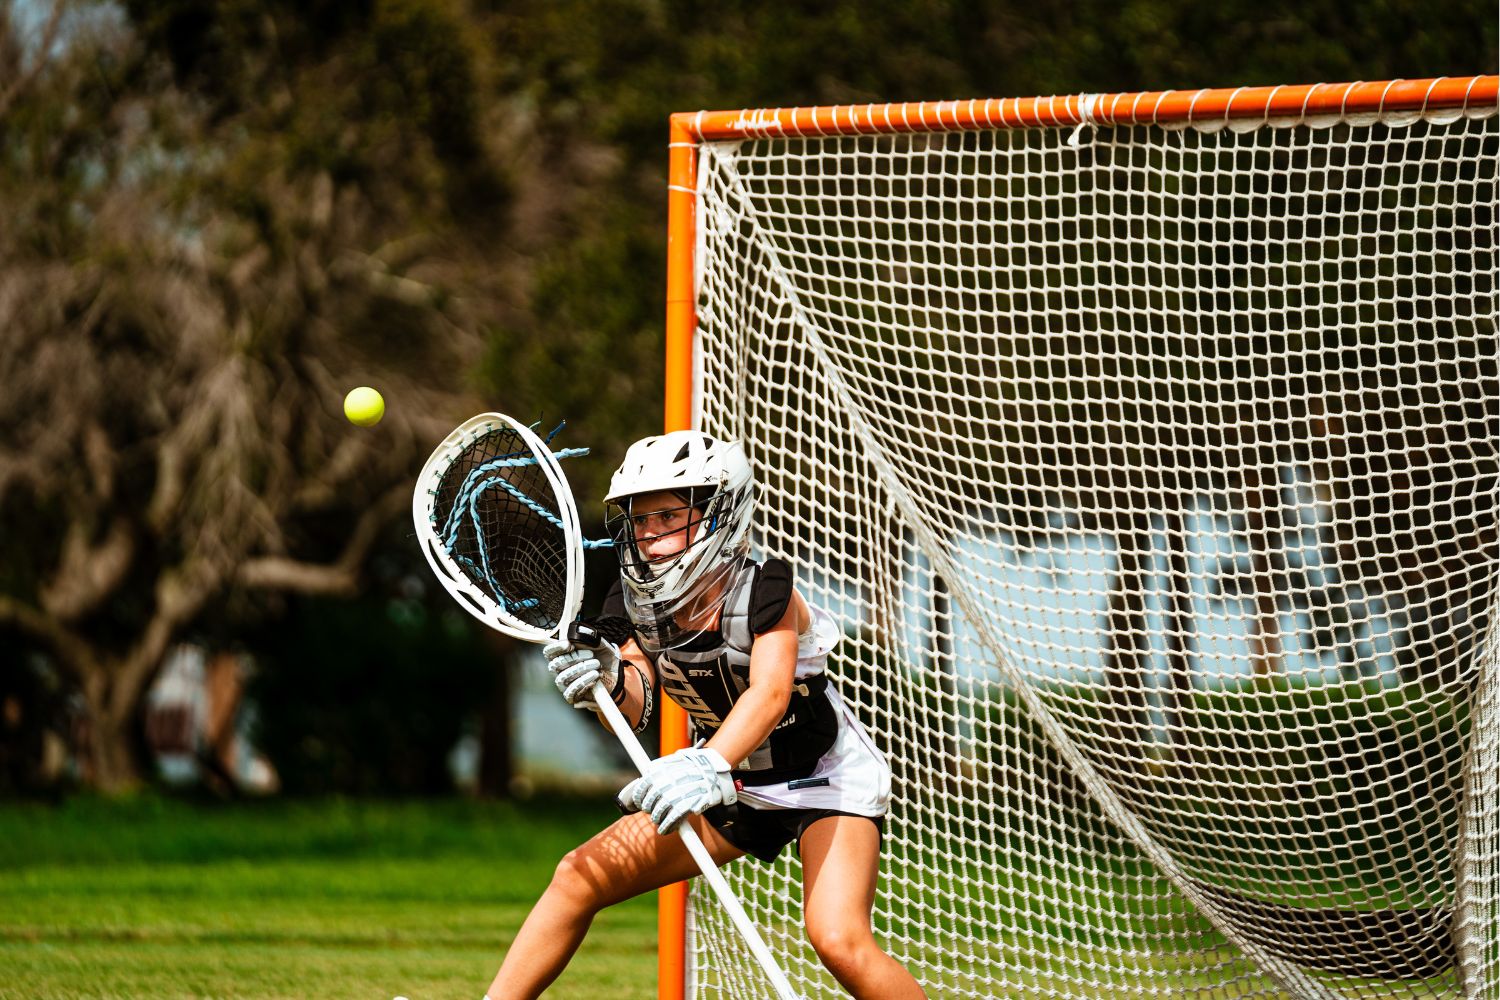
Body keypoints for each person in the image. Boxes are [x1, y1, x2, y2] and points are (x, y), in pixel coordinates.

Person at [485, 430, 926, 999]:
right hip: (731, 783)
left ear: (721, 513)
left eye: (668, 517)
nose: (649, 535)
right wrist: (608, 680)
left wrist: (707, 763)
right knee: (578, 877)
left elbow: (769, 695)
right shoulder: (635, 600)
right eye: (641, 521)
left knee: (837, 937)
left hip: (821, 780)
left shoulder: (766, 591)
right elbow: (638, 705)